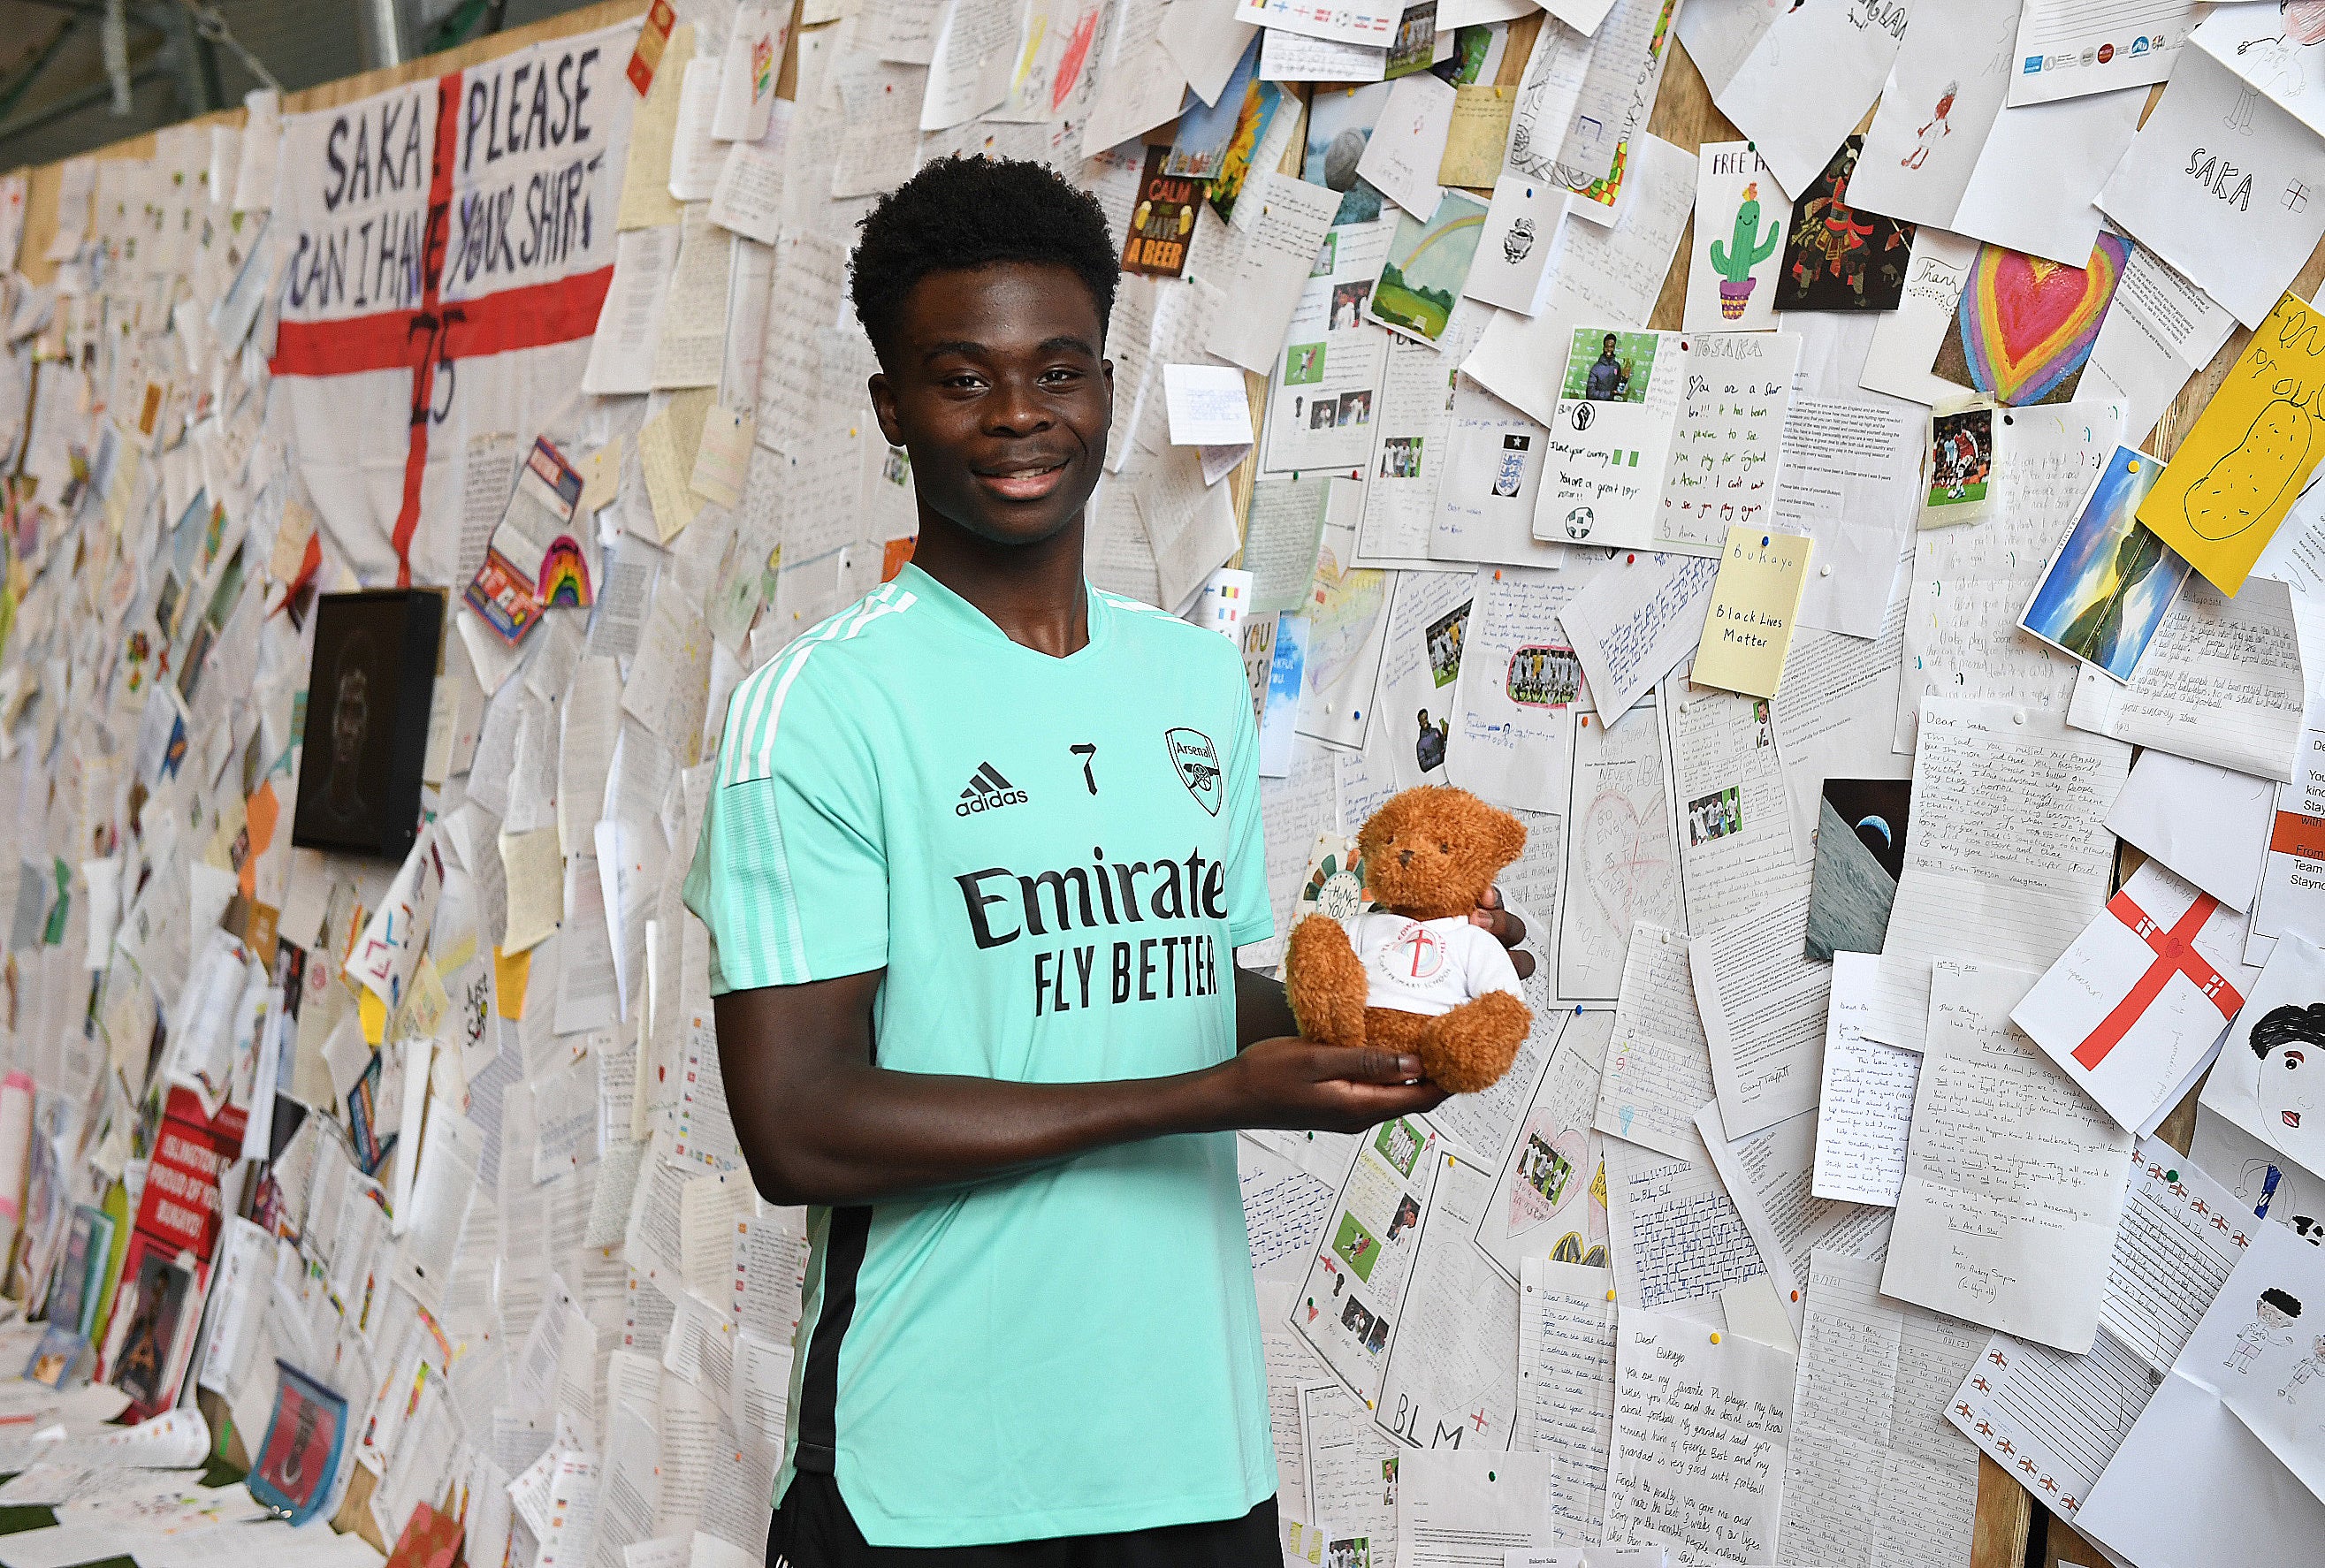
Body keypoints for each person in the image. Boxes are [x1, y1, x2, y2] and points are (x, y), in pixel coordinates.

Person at [684, 157, 1532, 1568]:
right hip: (937, 1473)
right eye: (961, 379)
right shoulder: (821, 708)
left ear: (1106, 387)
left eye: (1057, 369)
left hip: (1190, 1454)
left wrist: (1404, 1000)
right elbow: (798, 1121)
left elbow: (1207, 997)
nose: (1018, 415)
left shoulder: (1194, 682)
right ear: (891, 409)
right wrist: (1205, 1095)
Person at [1584, 332, 1628, 400]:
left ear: (1614, 348)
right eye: (1607, 347)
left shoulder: (1617, 366)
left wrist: (1625, 379)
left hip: (1611, 406)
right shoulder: (1596, 368)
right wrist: (1610, 394)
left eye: (1611, 347)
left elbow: (1618, 386)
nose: (1609, 349)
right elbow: (1591, 393)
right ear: (1603, 347)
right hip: (1598, 405)